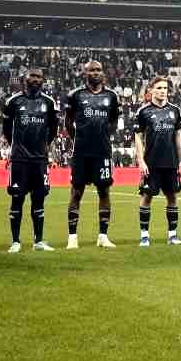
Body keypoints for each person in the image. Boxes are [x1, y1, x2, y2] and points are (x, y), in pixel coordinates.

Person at [65, 59, 122, 249]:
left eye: (99, 70)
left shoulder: (112, 96)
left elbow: (114, 121)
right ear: (85, 73)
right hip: (81, 153)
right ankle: (72, 238)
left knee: (104, 191)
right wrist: (78, 140)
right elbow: (68, 122)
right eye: (92, 70)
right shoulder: (76, 95)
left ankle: (103, 236)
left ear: (103, 73)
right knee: (76, 192)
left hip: (102, 152)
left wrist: (105, 136)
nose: (96, 73)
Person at [2, 67, 59, 252]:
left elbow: (53, 130)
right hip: (19, 160)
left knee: (39, 200)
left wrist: (44, 147)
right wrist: (17, 147)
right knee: (17, 199)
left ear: (43, 81)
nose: (35, 79)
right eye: (32, 76)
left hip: (40, 161)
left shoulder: (49, 103)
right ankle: (16, 241)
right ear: (24, 79)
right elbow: (6, 130)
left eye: (39, 77)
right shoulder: (13, 102)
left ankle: (38, 241)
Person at [137, 76, 181, 246]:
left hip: (171, 162)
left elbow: (178, 136)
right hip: (151, 163)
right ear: (151, 89)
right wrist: (141, 161)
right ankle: (144, 235)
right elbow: (138, 138)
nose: (162, 91)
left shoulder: (175, 111)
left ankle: (172, 235)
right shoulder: (143, 112)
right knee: (147, 197)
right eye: (159, 88)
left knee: (172, 196)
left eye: (165, 88)